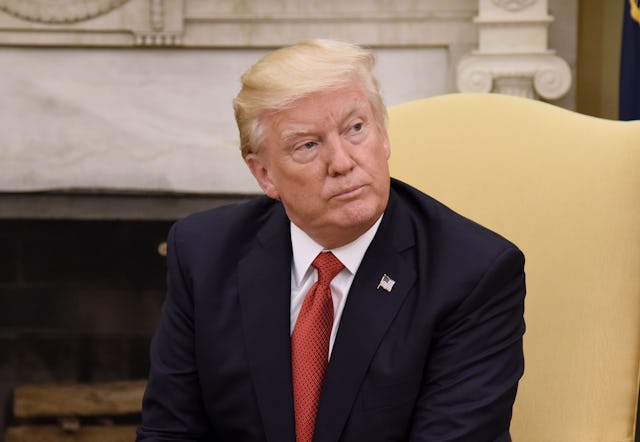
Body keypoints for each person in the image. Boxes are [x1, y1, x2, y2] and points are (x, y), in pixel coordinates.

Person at [137, 39, 525, 442]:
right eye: (308, 145)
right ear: (264, 174)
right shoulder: (204, 253)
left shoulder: (473, 274)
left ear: (384, 135)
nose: (342, 162)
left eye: (355, 129)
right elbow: (169, 431)